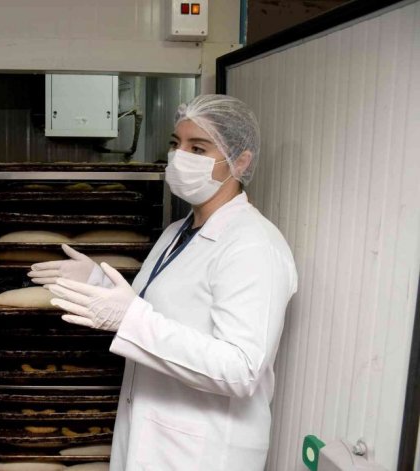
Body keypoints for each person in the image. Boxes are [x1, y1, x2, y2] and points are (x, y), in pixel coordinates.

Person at [28, 94, 298, 470]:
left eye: (197, 148)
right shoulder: (177, 231)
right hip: (153, 438)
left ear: (240, 161)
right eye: (175, 143)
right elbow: (159, 310)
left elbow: (241, 369)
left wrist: (131, 320)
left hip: (204, 453)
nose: (179, 156)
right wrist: (97, 282)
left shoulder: (253, 245)